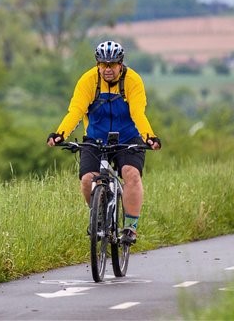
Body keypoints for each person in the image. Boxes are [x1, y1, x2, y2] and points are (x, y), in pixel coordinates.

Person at [47, 40, 161, 244]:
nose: (107, 69)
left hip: (128, 137)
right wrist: (60, 134)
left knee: (131, 174)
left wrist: (149, 137)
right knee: (87, 180)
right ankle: (98, 216)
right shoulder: (88, 80)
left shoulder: (133, 81)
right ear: (98, 64)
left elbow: (137, 113)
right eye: (103, 65)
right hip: (95, 138)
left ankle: (130, 227)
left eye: (112, 65)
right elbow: (76, 111)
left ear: (121, 64)